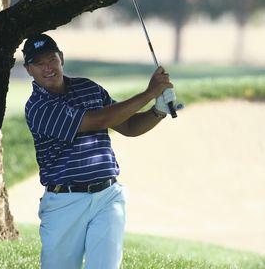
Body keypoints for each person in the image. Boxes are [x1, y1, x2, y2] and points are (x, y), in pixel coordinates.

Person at [21, 33, 174, 269]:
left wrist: (159, 111)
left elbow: (128, 126)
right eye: (38, 64)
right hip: (65, 203)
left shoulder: (88, 88)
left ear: (61, 58)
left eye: (51, 59)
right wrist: (148, 93)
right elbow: (99, 120)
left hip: (107, 196)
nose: (47, 68)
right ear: (28, 70)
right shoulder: (38, 107)